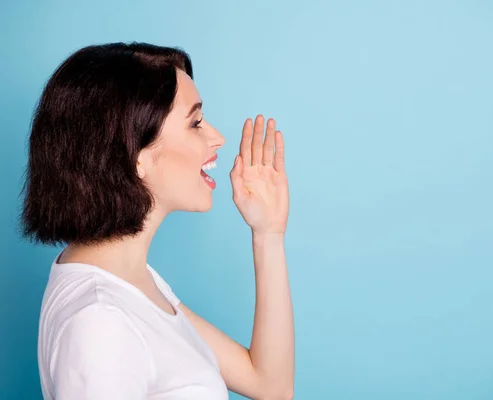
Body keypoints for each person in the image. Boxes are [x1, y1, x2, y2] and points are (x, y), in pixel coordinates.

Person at [20, 42, 294, 400]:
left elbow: (269, 385)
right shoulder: (100, 322)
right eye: (195, 123)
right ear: (135, 155)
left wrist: (268, 234)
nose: (217, 138)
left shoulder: (131, 278)